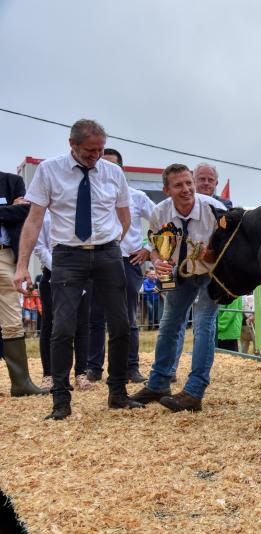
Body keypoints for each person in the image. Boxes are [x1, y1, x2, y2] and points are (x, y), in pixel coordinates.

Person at [14, 119, 142, 420]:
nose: (95, 155)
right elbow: (33, 221)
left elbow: (125, 217)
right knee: (62, 327)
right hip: (68, 256)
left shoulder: (114, 173)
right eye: (89, 150)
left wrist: (110, 244)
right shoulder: (49, 171)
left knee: (121, 324)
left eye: (99, 149)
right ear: (72, 145)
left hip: (108, 254)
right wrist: (22, 266)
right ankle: (61, 400)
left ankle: (118, 392)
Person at [130, 163, 225, 412]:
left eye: (189, 183)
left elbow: (232, 253)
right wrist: (158, 261)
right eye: (178, 185)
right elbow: (156, 247)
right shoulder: (160, 213)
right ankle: (159, 383)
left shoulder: (215, 210)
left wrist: (211, 254)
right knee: (169, 325)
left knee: (204, 325)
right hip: (179, 274)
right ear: (166, 190)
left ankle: (194, 391)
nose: (187, 190)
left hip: (210, 274)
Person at [86, 148, 155, 384]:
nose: (105, 170)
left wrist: (148, 249)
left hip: (128, 261)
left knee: (128, 318)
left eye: (112, 166)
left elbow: (162, 221)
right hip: (95, 260)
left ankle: (130, 367)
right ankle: (94, 368)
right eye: (101, 164)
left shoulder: (137, 196)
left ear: (121, 170)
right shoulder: (87, 196)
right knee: (95, 317)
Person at [33, 210, 93, 391]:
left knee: (82, 325)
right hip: (51, 275)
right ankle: (48, 375)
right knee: (49, 325)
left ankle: (81, 373)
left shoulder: (81, 212)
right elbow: (40, 247)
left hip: (82, 275)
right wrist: (59, 269)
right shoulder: (43, 215)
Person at [0, 169, 46, 396]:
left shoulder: (12, 181)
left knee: (11, 319)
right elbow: (14, 211)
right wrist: (8, 209)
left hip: (5, 256)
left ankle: (20, 383)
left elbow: (25, 212)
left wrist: (15, 209)